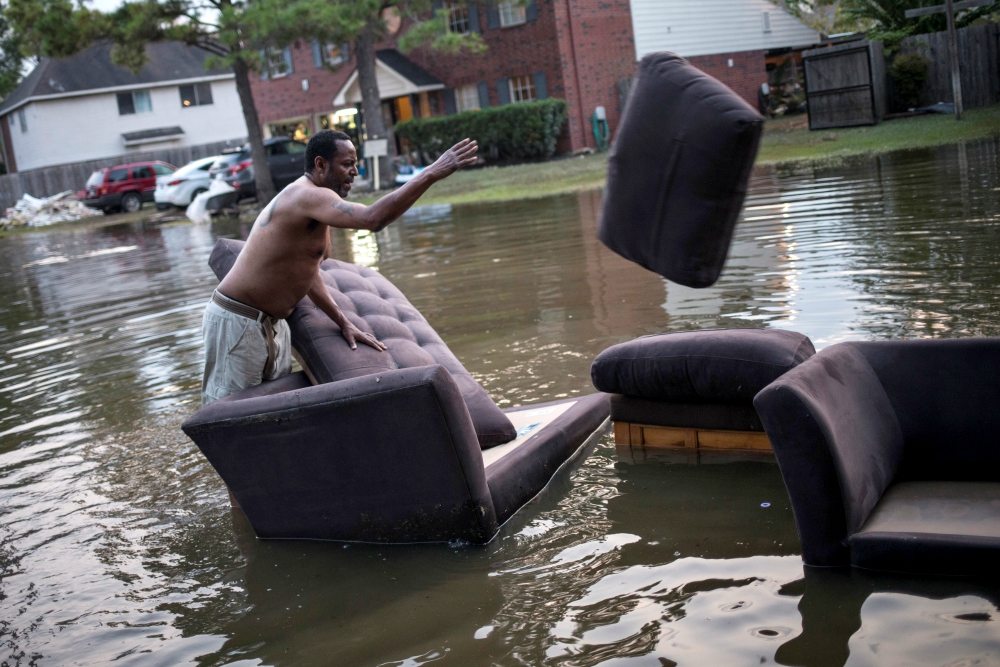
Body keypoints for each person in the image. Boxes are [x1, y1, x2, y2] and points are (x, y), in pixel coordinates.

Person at [202, 130, 478, 405]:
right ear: (321, 165)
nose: (355, 172)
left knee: (270, 415)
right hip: (239, 320)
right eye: (347, 164)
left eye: (355, 163)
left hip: (271, 325)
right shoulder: (306, 196)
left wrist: (343, 322)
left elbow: (307, 271)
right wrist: (429, 173)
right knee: (229, 416)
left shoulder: (317, 206)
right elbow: (374, 219)